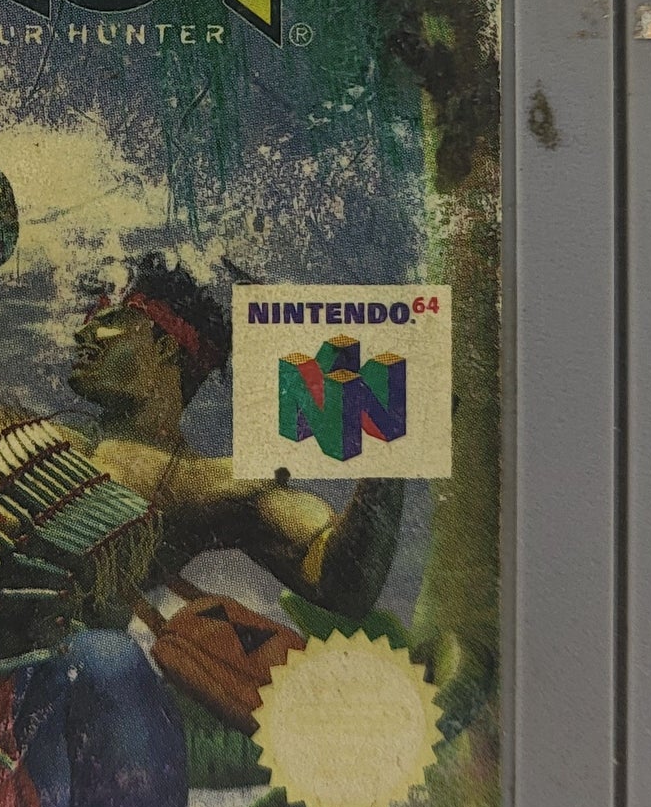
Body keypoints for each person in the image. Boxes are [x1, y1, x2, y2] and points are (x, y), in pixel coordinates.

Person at [63, 255, 405, 618]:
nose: (82, 333)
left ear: (165, 347)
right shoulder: (52, 432)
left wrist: (388, 445)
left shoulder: (216, 486)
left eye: (110, 319)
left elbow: (343, 581)